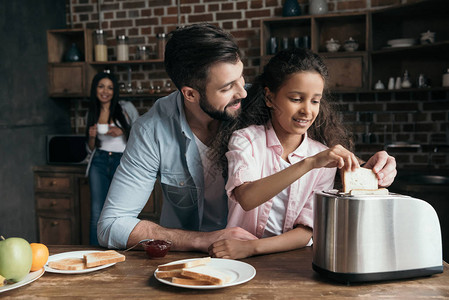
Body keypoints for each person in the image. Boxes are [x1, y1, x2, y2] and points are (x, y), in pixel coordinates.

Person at [97, 23, 396, 251]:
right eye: (227, 87)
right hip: (186, 258)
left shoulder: (259, 101)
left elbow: (314, 144)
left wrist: (371, 166)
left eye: (241, 78)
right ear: (189, 93)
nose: (243, 92)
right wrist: (204, 240)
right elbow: (111, 224)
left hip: (264, 257)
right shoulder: (152, 130)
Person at [208, 48, 362, 259]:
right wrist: (308, 164)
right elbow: (246, 197)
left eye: (315, 101)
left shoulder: (322, 156)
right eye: (297, 99)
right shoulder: (246, 140)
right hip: (235, 258)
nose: (307, 111)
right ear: (270, 97)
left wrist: (251, 248)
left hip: (289, 261)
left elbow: (307, 230)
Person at [86, 71, 139, 245]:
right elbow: (91, 148)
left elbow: (140, 133)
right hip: (99, 162)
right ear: (95, 89)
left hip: (121, 162)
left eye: (109, 87)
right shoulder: (92, 112)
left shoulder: (125, 108)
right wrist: (92, 136)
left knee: (121, 211)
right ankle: (95, 251)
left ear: (114, 90)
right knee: (97, 211)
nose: (105, 91)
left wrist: (123, 131)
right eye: (101, 86)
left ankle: (120, 249)